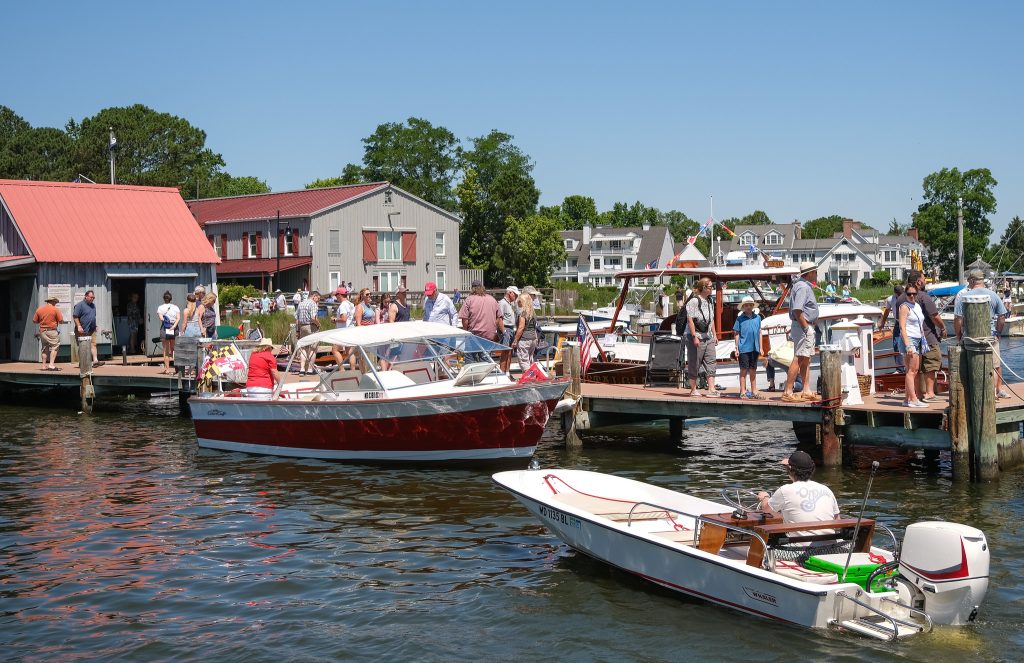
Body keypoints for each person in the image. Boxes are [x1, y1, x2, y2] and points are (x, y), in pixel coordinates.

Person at [756, 451, 840, 536]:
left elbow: (766, 509)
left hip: (799, 548)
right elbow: (837, 521)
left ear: (791, 470)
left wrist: (765, 497)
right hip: (831, 546)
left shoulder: (785, 490)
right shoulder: (827, 490)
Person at [954, 269, 1009, 398]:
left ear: (972, 281)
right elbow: (1002, 316)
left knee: (969, 365)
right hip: (990, 336)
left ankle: (973, 394)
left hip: (970, 337)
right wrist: (998, 333)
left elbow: (957, 319)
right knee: (994, 366)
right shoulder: (993, 295)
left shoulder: (964, 297)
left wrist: (959, 335)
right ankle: (993, 393)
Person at [899, 271, 945, 401]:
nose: (925, 281)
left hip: (909, 338)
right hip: (926, 336)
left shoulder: (901, 298)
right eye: (924, 279)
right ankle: (929, 393)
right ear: (919, 282)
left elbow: (900, 321)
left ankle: (916, 394)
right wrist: (943, 327)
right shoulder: (923, 296)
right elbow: (934, 316)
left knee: (913, 369)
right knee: (930, 363)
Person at [781, 262, 819, 403]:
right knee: (800, 358)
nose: (816, 274)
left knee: (806, 359)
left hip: (802, 326)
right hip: (803, 327)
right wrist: (806, 328)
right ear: (809, 274)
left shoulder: (799, 285)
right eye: (815, 272)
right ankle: (788, 391)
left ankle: (806, 389)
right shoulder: (803, 287)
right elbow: (797, 310)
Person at [684, 277, 719, 398]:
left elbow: (711, 320)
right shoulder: (693, 301)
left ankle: (711, 389)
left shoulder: (709, 301)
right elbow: (690, 320)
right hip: (696, 335)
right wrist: (694, 337)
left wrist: (715, 335)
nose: (712, 288)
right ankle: (693, 389)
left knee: (711, 361)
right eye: (710, 286)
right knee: (695, 362)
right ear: (703, 288)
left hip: (708, 336)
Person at [898, 285, 928, 408]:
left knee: (914, 370)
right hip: (909, 339)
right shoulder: (904, 307)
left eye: (914, 294)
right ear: (905, 294)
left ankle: (907, 399)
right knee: (912, 370)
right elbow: (902, 327)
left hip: (918, 339)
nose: (912, 296)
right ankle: (913, 399)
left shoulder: (917, 306)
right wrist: (908, 345)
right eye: (909, 294)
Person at [732, 296, 763, 399]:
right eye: (746, 305)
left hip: (755, 348)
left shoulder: (758, 318)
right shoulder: (740, 319)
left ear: (753, 306)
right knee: (744, 370)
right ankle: (743, 391)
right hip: (743, 348)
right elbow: (736, 333)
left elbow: (759, 332)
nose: (748, 307)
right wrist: (736, 348)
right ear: (743, 307)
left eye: (750, 305)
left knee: (753, 369)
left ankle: (754, 390)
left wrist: (761, 347)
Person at [73, 290, 103, 370]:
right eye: (91, 297)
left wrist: (95, 325)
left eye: (93, 297)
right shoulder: (80, 305)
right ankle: (82, 362)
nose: (92, 299)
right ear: (86, 296)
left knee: (93, 344)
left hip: (91, 329)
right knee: (82, 346)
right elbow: (75, 317)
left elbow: (93, 316)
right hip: (82, 330)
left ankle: (95, 361)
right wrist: (79, 326)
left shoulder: (93, 305)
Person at [878, 285, 906, 373]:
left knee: (910, 343)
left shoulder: (907, 297)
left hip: (907, 323)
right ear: (895, 294)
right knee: (896, 344)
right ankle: (900, 368)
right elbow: (887, 311)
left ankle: (910, 366)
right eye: (899, 295)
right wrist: (882, 322)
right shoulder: (891, 299)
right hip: (898, 322)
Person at [33, 295, 64, 371]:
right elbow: (61, 321)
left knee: (44, 348)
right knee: (55, 346)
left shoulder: (39, 309)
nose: (56, 303)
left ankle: (43, 366)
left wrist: (43, 321)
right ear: (52, 302)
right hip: (52, 330)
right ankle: (51, 365)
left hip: (42, 331)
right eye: (55, 302)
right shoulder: (55, 309)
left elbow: (34, 321)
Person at [511, 293, 539, 372]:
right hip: (533, 338)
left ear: (524, 302)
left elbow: (521, 327)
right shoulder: (533, 313)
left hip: (524, 339)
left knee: (523, 361)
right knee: (530, 360)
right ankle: (532, 377)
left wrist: (515, 340)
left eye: (520, 301)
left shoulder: (523, 313)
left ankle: (529, 378)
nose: (518, 303)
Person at [295, 290, 320, 375]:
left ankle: (302, 369)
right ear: (314, 296)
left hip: (302, 326)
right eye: (318, 299)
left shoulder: (301, 304)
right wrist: (318, 324)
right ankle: (310, 369)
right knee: (313, 348)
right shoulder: (313, 304)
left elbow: (297, 320)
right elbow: (313, 318)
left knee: (303, 348)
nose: (318, 301)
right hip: (311, 326)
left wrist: (297, 330)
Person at [330, 287, 355, 370]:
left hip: (343, 331)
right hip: (350, 329)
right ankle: (353, 370)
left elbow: (344, 319)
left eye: (337, 295)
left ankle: (342, 370)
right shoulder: (350, 304)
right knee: (350, 352)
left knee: (334, 350)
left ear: (340, 295)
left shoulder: (343, 305)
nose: (336, 297)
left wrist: (334, 319)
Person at [157, 291, 180, 374]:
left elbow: (161, 319)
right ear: (171, 299)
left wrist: (167, 322)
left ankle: (167, 369)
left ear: (164, 298)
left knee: (166, 349)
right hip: (174, 327)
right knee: (174, 349)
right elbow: (178, 318)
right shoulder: (176, 307)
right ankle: (177, 368)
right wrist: (174, 326)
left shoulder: (160, 308)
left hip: (165, 328)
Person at [498, 286, 519, 373]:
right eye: (515, 294)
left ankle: (507, 372)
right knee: (505, 352)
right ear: (510, 293)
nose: (517, 296)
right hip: (506, 328)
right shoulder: (502, 303)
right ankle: (503, 373)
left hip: (510, 329)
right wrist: (504, 331)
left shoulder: (511, 304)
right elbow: (499, 319)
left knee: (509, 351)